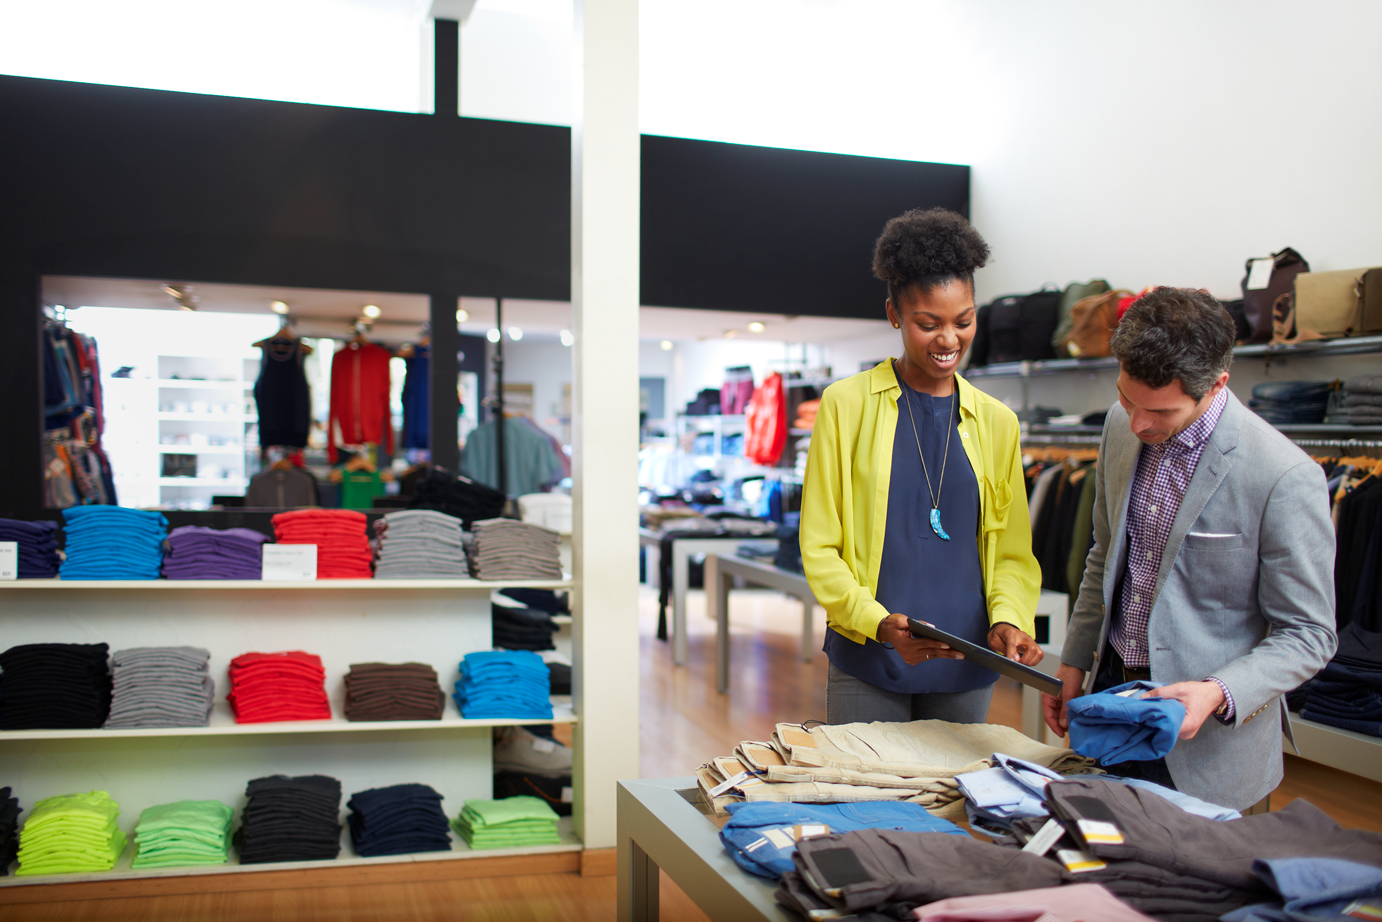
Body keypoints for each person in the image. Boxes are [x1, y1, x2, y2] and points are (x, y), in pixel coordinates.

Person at [1041, 287, 1337, 812]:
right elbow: (1103, 557)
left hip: (1210, 747)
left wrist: (1217, 692)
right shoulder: (1118, 424)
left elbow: (1309, 634)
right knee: (1096, 871)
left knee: (1198, 890)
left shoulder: (1284, 475)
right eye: (1126, 398)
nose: (1137, 423)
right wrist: (1072, 660)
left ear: (1216, 385)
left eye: (1159, 410)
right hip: (1109, 703)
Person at [801, 207, 1043, 726]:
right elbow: (820, 545)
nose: (949, 340)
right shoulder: (846, 405)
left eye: (964, 320)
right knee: (866, 801)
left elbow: (1012, 553)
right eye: (928, 324)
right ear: (894, 314)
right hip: (870, 653)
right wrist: (876, 623)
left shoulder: (998, 422)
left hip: (969, 658)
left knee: (951, 803)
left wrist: (1010, 619)